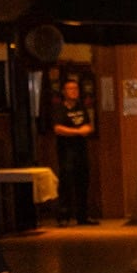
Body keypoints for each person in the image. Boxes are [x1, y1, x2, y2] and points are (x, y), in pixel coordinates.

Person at [48, 67, 97, 223]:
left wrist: (81, 130)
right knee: (66, 182)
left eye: (76, 88)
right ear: (64, 91)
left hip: (81, 150)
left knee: (83, 182)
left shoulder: (81, 107)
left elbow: (88, 127)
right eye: (70, 89)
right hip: (66, 151)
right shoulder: (59, 109)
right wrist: (77, 131)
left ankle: (83, 216)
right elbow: (58, 129)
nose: (74, 91)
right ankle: (64, 216)